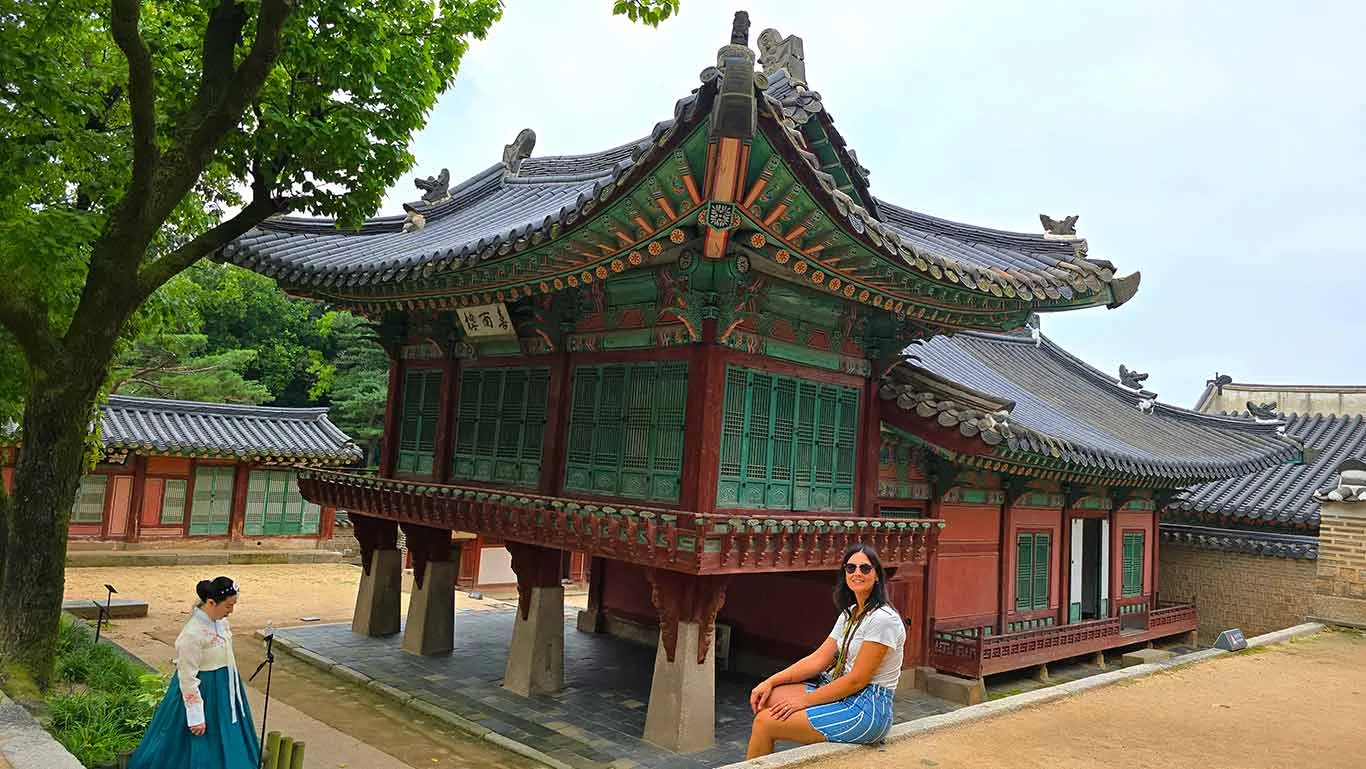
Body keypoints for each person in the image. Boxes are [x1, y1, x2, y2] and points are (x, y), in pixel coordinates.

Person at [746, 543, 906, 758]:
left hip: (867, 709)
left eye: (865, 568)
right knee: (769, 697)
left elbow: (857, 680)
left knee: (765, 723)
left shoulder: (883, 620)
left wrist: (802, 701)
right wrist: (770, 681)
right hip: (842, 691)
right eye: (851, 568)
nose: (857, 573)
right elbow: (818, 659)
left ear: (877, 576)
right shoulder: (850, 613)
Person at [128, 576, 261, 769]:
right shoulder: (192, 634)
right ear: (211, 602)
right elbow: (187, 678)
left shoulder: (221, 623)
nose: (231, 611)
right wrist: (196, 715)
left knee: (228, 735)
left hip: (225, 687)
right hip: (203, 689)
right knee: (189, 748)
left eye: (233, 605)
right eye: (228, 606)